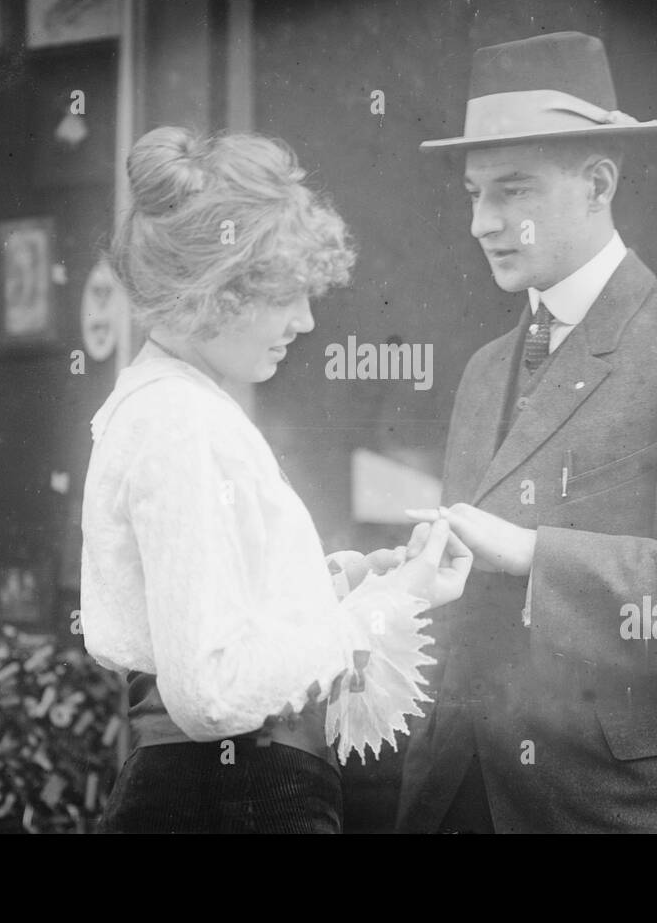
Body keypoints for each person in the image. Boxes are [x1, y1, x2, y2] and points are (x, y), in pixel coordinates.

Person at [397, 32, 657, 833]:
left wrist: (535, 554)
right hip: (461, 799)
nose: (482, 222)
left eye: (512, 190)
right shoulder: (483, 372)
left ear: (597, 184)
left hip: (619, 814)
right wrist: (398, 584)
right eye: (474, 193)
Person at [81, 126, 472, 833]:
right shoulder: (182, 424)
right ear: (213, 291)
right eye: (286, 294)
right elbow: (212, 692)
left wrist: (347, 585)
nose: (307, 319)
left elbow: (217, 611)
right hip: (237, 798)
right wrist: (386, 607)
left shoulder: (174, 406)